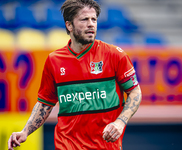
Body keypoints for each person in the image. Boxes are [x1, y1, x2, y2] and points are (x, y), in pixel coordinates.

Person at [8, 0, 142, 149]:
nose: (91, 24)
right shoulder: (54, 60)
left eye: (94, 19)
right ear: (69, 25)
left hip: (106, 146)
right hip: (66, 145)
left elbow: (135, 92)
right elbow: (45, 103)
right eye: (84, 19)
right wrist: (25, 131)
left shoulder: (115, 55)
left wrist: (120, 122)